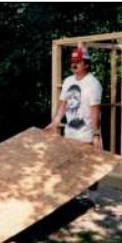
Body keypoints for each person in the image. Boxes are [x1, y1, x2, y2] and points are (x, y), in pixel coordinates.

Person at [44, 47, 103, 206]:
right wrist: (55, 122)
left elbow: (95, 110)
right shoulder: (68, 81)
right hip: (70, 132)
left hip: (86, 133)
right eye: (72, 62)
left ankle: (91, 198)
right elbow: (63, 104)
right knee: (70, 166)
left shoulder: (93, 84)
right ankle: (74, 196)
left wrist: (96, 135)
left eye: (78, 62)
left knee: (89, 167)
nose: (74, 64)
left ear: (86, 64)